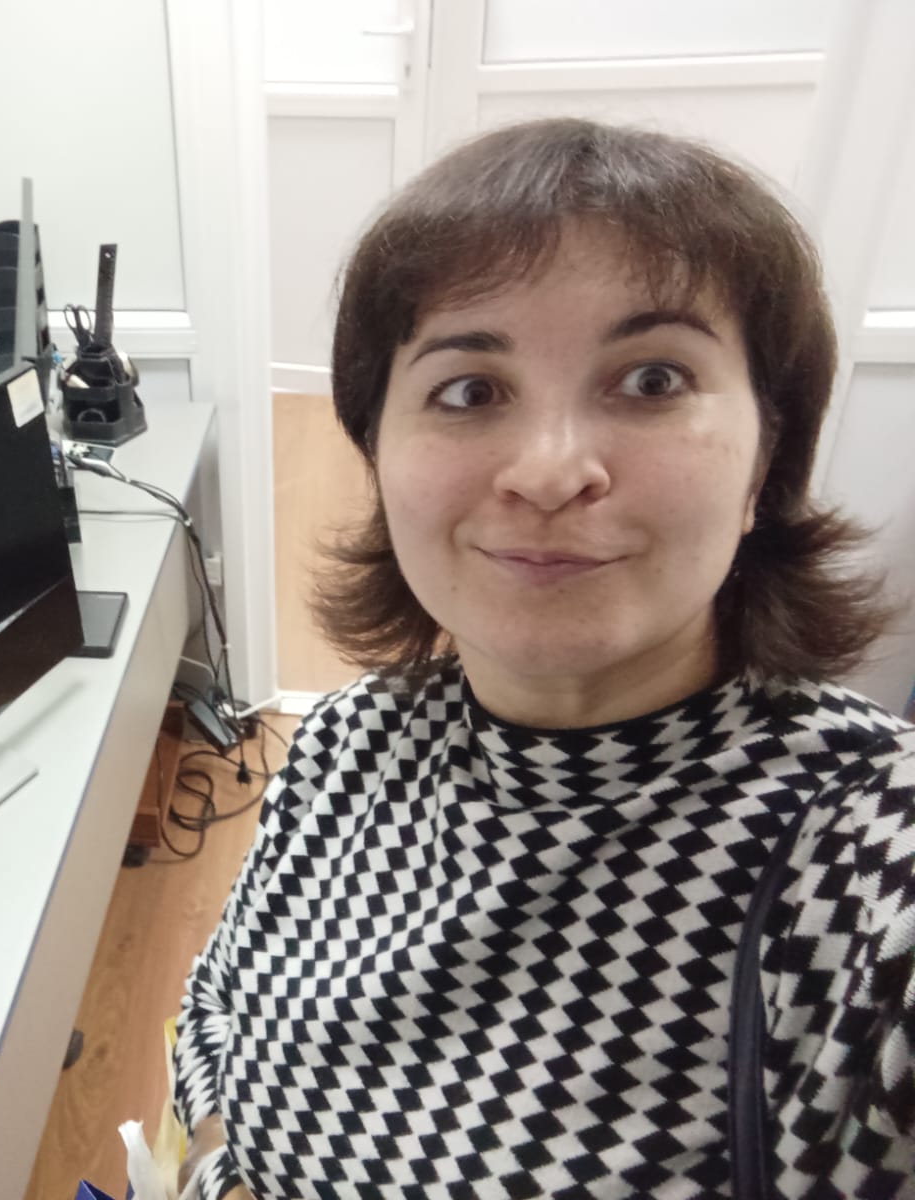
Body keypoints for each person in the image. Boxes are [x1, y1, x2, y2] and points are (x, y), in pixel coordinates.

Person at [172, 117, 915, 1199]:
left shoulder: (859, 860)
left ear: (765, 459)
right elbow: (220, 1003)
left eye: (651, 380)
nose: (551, 471)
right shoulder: (345, 742)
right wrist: (215, 1164)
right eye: (470, 390)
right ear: (379, 456)